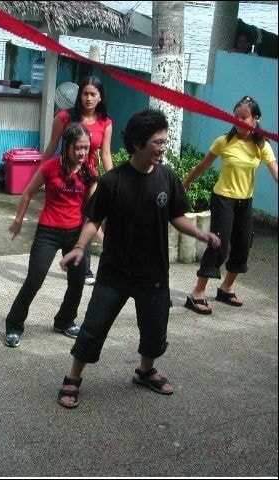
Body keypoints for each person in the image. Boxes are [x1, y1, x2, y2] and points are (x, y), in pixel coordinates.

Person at [56, 109, 221, 408]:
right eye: (158, 142)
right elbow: (94, 219)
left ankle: (145, 371)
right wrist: (80, 246)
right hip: (115, 272)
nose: (163, 147)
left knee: (155, 327)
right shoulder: (113, 180)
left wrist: (200, 234)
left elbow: (177, 215)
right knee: (94, 327)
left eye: (164, 141)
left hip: (153, 272)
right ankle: (73, 376)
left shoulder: (167, 177)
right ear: (137, 143)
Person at [4, 123, 98, 348]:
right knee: (34, 280)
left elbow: (93, 209)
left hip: (76, 234)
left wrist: (94, 234)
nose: (82, 153)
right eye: (78, 147)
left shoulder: (90, 173)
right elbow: (28, 193)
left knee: (77, 281)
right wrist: (18, 220)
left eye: (86, 148)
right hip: (48, 232)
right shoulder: (50, 167)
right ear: (67, 146)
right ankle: (14, 325)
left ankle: (65, 321)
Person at [183, 95, 277, 315]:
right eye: (235, 117)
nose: (238, 121)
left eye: (244, 117)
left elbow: (276, 172)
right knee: (219, 245)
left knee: (243, 244)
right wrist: (187, 181)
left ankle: (226, 288)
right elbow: (204, 165)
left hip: (245, 201)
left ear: (255, 119)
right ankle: (197, 292)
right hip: (223, 199)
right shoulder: (224, 141)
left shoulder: (262, 146)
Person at [43, 76, 113, 286]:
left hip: (89, 179)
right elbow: (51, 146)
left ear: (100, 97)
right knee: (68, 219)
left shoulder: (105, 122)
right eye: (85, 93)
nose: (88, 98)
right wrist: (42, 175)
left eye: (93, 94)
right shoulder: (65, 117)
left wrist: (114, 182)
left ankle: (84, 267)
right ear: (79, 95)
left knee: (89, 218)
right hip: (65, 176)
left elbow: (106, 155)